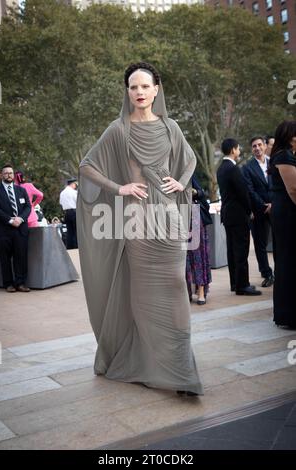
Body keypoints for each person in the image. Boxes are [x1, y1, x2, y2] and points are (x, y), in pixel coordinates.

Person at [77, 62, 203, 396]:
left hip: (169, 219)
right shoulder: (118, 129)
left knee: (177, 287)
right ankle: (156, 367)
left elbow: (189, 160)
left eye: (145, 86)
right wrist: (120, 188)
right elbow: (86, 165)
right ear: (127, 92)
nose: (139, 92)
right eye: (133, 87)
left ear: (156, 89)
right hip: (136, 222)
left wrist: (181, 182)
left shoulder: (171, 127)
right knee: (144, 298)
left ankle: (180, 367)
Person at [217, 139, 261, 296]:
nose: (239, 150)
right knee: (241, 250)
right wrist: (250, 210)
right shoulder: (233, 169)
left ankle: (235, 283)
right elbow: (243, 192)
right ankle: (243, 285)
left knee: (232, 251)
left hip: (228, 215)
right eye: (238, 148)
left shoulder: (221, 168)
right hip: (238, 215)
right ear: (233, 150)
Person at [269, 121, 296, 329]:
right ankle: (288, 314)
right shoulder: (284, 155)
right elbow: (294, 189)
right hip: (287, 214)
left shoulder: (285, 154)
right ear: (288, 135)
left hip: (285, 213)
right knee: (288, 262)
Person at [243, 137, 274, 287]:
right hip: (259, 210)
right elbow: (250, 190)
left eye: (260, 145)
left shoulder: (274, 163)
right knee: (260, 245)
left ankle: (282, 271)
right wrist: (264, 205)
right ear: (252, 149)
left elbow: (279, 184)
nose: (257, 148)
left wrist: (273, 204)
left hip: (277, 208)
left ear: (265, 146)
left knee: (281, 241)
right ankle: (267, 274)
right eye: (254, 146)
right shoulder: (247, 168)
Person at [0, 164, 31, 292]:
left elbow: (28, 207)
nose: (9, 175)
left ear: (13, 174)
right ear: (1, 175)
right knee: (5, 259)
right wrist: (10, 220)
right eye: (6, 173)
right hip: (3, 230)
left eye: (11, 173)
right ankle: (8, 284)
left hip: (20, 229)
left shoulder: (21, 190)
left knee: (21, 257)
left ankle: (20, 283)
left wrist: (20, 219)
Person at [186, 175, 212, 305]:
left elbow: (201, 192)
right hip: (176, 217)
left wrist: (194, 192)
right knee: (182, 259)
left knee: (198, 255)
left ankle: (201, 291)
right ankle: (186, 292)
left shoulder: (188, 172)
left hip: (194, 215)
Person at [59, 178, 78, 249]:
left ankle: (70, 247)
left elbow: (61, 203)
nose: (75, 186)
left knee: (69, 231)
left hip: (67, 213)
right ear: (72, 184)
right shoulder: (73, 192)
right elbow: (78, 202)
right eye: (75, 184)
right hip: (74, 212)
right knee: (76, 231)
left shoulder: (62, 193)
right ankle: (76, 247)